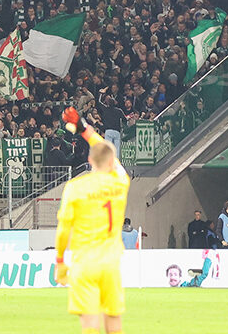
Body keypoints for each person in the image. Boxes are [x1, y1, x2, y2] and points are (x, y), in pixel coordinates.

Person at [54, 107, 129, 334]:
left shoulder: (75, 188)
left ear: (89, 160)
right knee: (113, 318)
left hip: (84, 261)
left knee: (89, 322)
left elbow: (64, 229)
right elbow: (112, 158)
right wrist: (85, 129)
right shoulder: (120, 183)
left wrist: (60, 261)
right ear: (111, 162)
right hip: (110, 261)